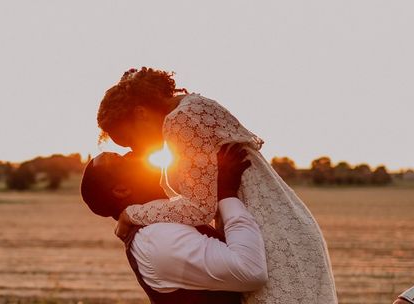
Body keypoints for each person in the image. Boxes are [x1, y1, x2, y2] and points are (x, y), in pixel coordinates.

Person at [97, 67, 339, 304]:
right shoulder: (191, 109)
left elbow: (199, 208)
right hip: (271, 224)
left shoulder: (182, 120)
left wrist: (131, 214)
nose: (135, 150)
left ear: (141, 113)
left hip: (268, 236)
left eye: (129, 140)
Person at [80, 143, 268, 303]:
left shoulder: (167, 219)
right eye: (121, 159)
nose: (131, 153)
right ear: (121, 190)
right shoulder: (157, 237)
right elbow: (250, 270)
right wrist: (226, 194)